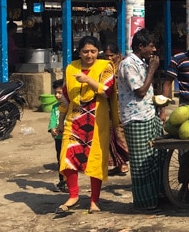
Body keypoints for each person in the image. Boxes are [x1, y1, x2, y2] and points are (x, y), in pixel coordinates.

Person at [54, 35, 118, 214]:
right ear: (79, 52)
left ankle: (94, 201)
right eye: (85, 51)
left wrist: (88, 80)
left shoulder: (105, 66)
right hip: (74, 119)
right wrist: (60, 120)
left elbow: (107, 91)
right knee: (67, 157)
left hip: (97, 119)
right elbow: (66, 95)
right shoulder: (71, 67)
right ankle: (73, 196)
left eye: (93, 51)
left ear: (98, 52)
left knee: (95, 160)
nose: (89, 55)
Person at [116, 29, 163, 212]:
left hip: (149, 114)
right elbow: (140, 91)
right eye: (150, 46)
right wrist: (152, 69)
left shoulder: (142, 63)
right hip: (136, 119)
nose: (153, 49)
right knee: (141, 162)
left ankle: (157, 196)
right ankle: (145, 203)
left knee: (156, 158)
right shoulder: (129, 64)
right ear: (140, 46)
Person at [104, 43, 130, 176]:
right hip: (107, 104)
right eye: (106, 55)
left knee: (120, 133)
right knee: (109, 134)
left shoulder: (124, 65)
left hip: (121, 104)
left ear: (118, 55)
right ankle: (118, 163)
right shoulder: (104, 66)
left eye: (112, 55)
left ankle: (124, 162)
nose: (109, 58)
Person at [47, 79, 67, 193]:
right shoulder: (55, 107)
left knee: (67, 161)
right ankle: (62, 181)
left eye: (60, 93)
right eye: (55, 93)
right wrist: (52, 129)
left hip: (68, 137)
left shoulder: (70, 106)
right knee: (60, 159)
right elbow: (53, 119)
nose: (57, 95)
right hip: (59, 138)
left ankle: (69, 182)